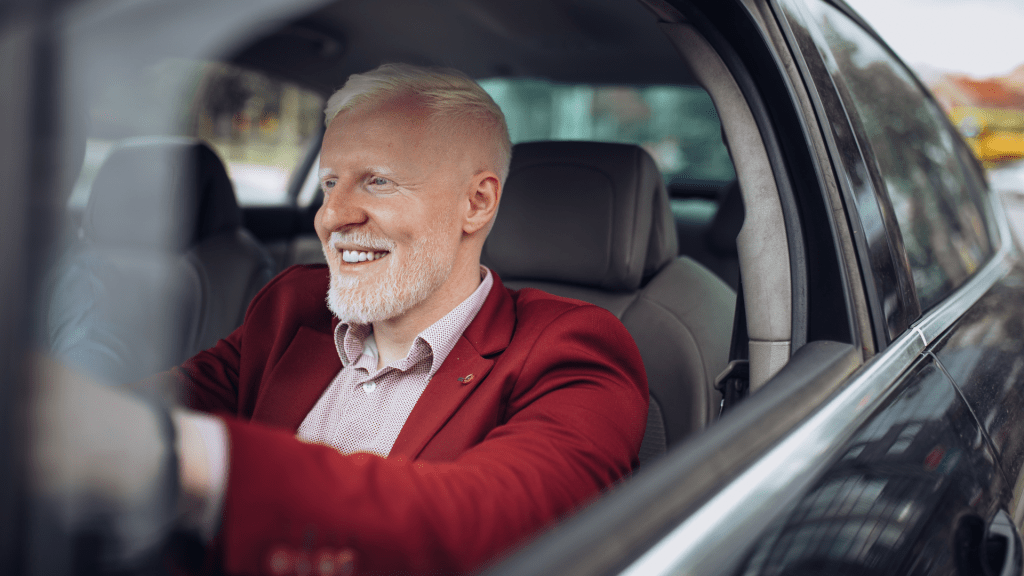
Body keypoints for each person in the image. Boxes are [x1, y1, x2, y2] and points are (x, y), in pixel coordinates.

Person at [35, 63, 648, 576]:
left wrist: (174, 454)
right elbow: (177, 394)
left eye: (376, 181)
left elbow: (497, 525)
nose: (332, 216)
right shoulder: (293, 307)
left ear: (476, 201)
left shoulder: (574, 350)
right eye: (329, 184)